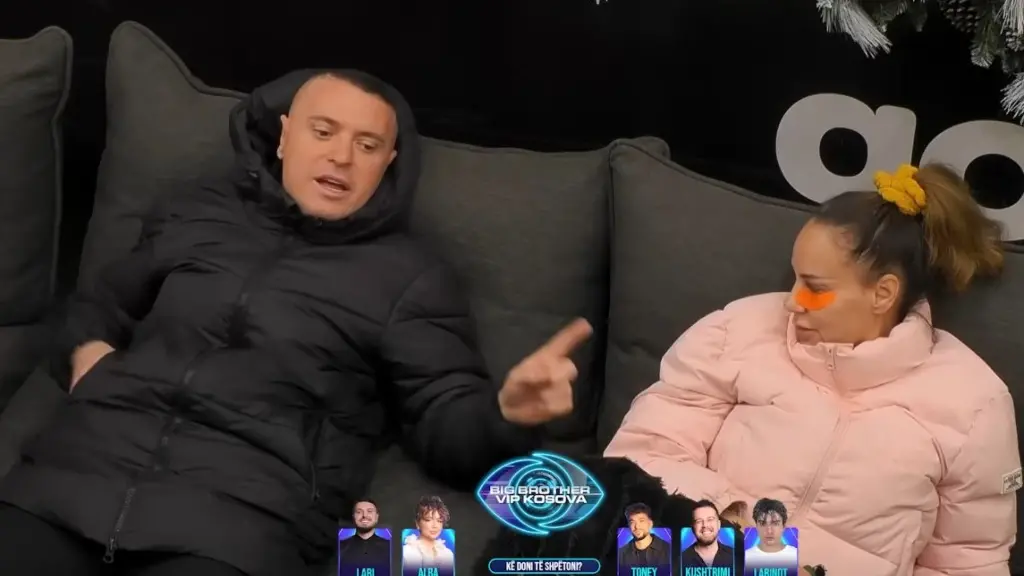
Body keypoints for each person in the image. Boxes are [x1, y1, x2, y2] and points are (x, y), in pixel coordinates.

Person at [0, 69, 593, 576]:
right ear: (284, 136)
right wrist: (86, 353)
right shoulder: (199, 212)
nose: (341, 156)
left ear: (387, 164)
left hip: (240, 521)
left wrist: (506, 415)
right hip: (74, 477)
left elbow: (444, 416)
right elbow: (100, 304)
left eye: (367, 145)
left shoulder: (410, 277)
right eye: (323, 131)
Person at [605, 163, 1020, 575]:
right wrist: (751, 547)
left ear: (883, 294)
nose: (792, 301)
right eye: (795, 278)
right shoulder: (737, 332)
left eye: (815, 288)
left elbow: (970, 562)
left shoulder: (975, 405)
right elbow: (639, 459)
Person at [401, 496, 454, 573]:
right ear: (417, 523)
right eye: (428, 520)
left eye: (439, 521)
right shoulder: (406, 553)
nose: (435, 526)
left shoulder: (448, 554)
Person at [338, 499, 391, 572]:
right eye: (359, 512)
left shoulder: (390, 547)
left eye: (370, 511)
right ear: (353, 517)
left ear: (377, 517)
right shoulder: (340, 547)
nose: (364, 515)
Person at [617, 502, 670, 574]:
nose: (637, 526)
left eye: (641, 521)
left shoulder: (668, 550)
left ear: (650, 524)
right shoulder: (621, 554)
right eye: (632, 522)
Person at [680, 500, 734, 570]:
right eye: (699, 521)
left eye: (710, 519)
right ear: (692, 527)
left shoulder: (735, 557)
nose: (705, 525)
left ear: (719, 524)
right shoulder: (681, 561)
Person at [745, 499, 797, 569]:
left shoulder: (793, 554)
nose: (769, 531)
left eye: (775, 523)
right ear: (756, 527)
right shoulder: (747, 556)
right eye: (762, 523)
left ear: (783, 527)